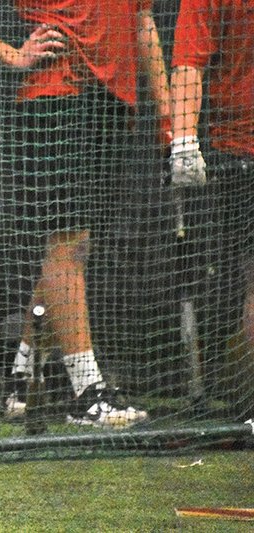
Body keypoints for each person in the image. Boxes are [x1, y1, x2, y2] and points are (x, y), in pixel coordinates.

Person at [0, 1, 171, 428]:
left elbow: (142, 19)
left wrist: (169, 117)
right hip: (56, 93)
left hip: (112, 101)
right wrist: (11, 53)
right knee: (67, 244)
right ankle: (87, 393)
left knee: (72, 250)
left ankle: (21, 376)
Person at [170, 0, 254, 419]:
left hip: (235, 149)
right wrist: (184, 142)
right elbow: (188, 63)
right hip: (238, 149)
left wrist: (183, 142)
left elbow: (188, 65)